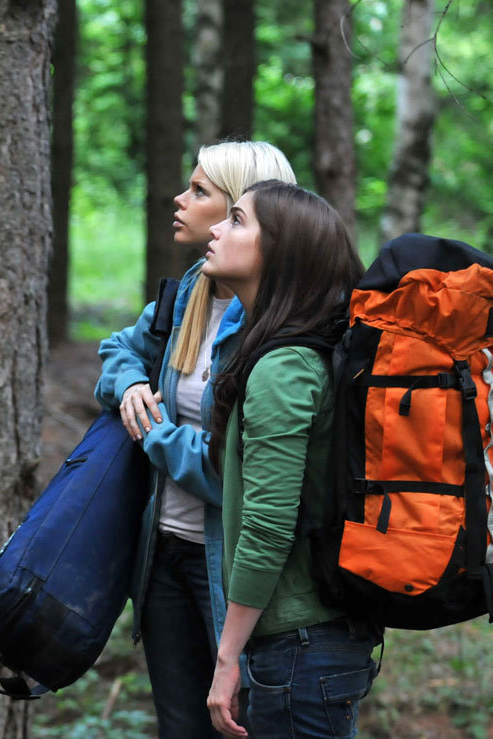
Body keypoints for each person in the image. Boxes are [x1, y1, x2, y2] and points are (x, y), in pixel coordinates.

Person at [94, 141, 296, 737]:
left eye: (201, 192)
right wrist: (130, 384)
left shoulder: (277, 328)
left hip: (234, 572)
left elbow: (226, 474)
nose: (180, 200)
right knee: (179, 726)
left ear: (245, 215)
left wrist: (152, 432)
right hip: (162, 559)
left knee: (241, 725)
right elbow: (118, 348)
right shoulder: (193, 291)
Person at [203, 181, 377, 737]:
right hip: (318, 645)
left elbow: (268, 524)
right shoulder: (306, 353)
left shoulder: (286, 367)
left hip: (301, 648)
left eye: (235, 220)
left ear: (278, 251)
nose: (215, 229)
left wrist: (227, 654)